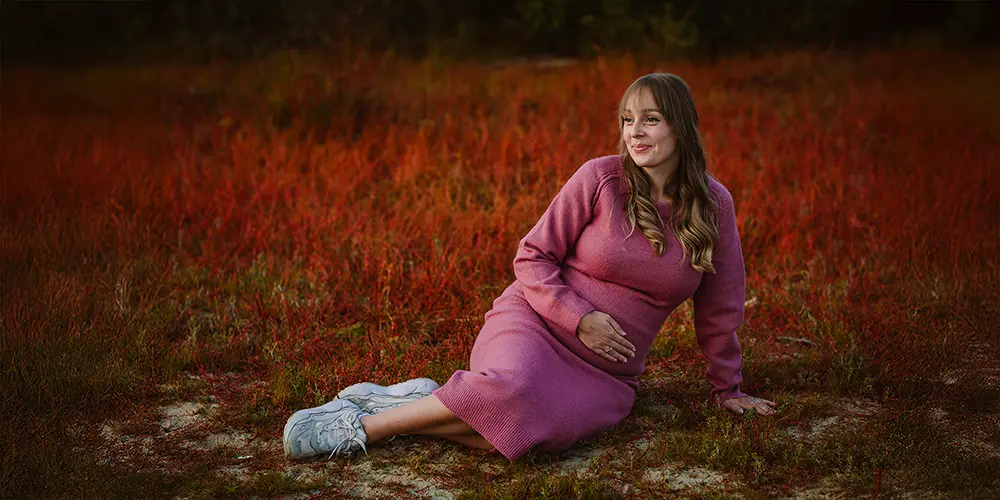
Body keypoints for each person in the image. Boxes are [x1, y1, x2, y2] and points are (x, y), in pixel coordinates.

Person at [283, 73, 777, 462]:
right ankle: (355, 429)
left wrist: (726, 387)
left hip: (608, 374)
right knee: (514, 394)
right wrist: (579, 316)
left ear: (680, 125)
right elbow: (532, 256)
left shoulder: (713, 206)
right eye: (627, 120)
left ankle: (422, 400)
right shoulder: (600, 178)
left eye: (650, 119)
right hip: (535, 324)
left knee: (538, 440)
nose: (635, 132)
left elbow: (721, 307)